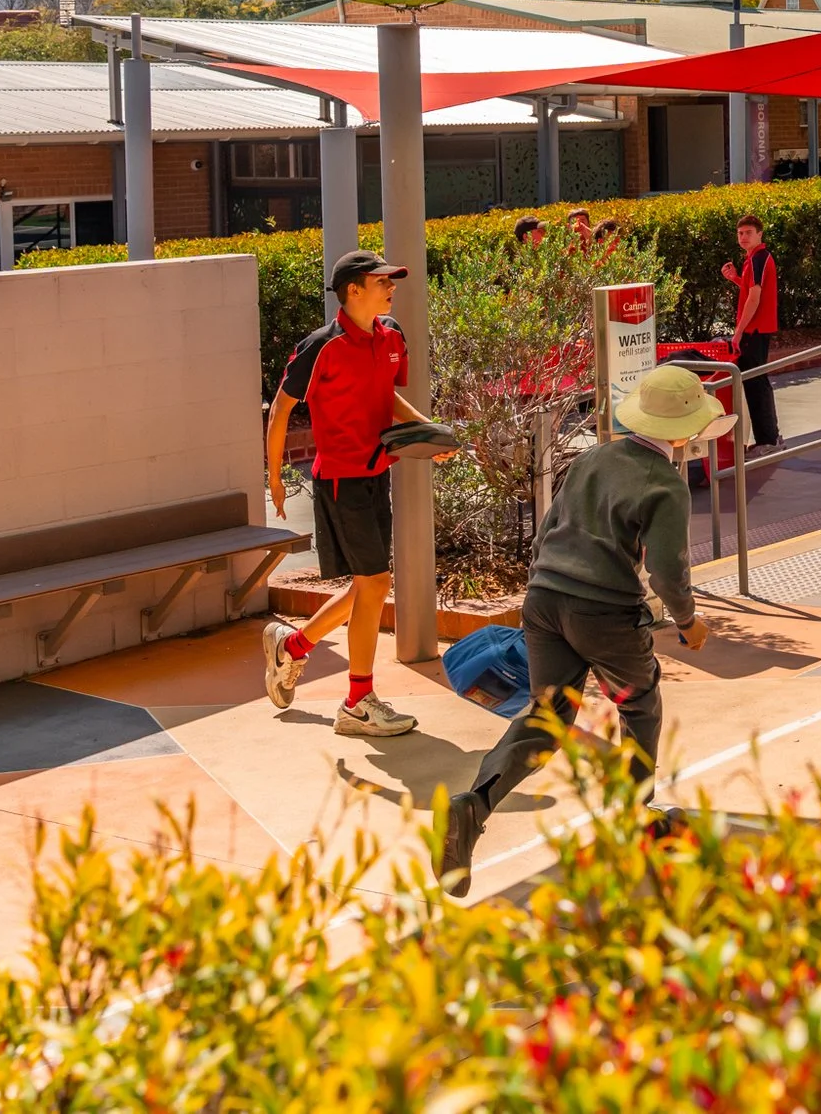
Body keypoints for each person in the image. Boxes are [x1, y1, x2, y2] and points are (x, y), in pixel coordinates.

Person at [433, 363, 720, 897]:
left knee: (549, 714)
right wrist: (689, 622)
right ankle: (636, 820)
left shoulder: (593, 457)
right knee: (639, 704)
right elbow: (667, 570)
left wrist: (546, 593)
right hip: (604, 613)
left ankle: (473, 806)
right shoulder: (666, 485)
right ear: (685, 429)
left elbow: (547, 531)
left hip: (544, 602)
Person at [259, 251, 456, 738]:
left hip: (376, 475)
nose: (391, 287)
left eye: (392, 279)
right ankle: (356, 702)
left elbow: (384, 395)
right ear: (352, 290)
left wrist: (428, 432)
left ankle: (293, 648)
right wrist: (276, 475)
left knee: (368, 586)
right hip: (340, 482)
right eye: (381, 280)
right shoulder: (320, 347)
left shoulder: (390, 337)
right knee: (375, 582)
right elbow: (281, 409)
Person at [719, 214, 783, 448]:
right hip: (755, 329)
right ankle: (770, 437)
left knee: (756, 384)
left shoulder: (759, 258)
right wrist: (735, 278)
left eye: (748, 232)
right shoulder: (754, 259)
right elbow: (752, 292)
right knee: (756, 383)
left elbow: (754, 299)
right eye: (740, 233)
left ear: (760, 234)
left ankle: (768, 440)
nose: (743, 237)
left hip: (755, 331)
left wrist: (738, 332)